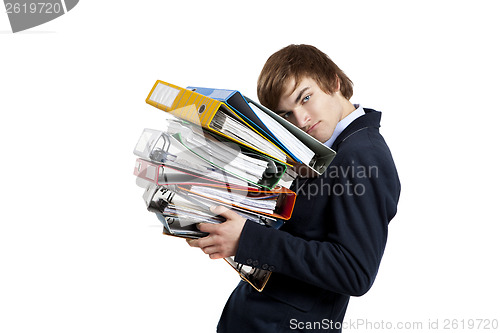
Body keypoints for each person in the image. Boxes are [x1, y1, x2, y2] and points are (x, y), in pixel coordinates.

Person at [187, 44, 401, 332]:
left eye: (306, 98)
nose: (302, 120)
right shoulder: (324, 149)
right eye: (286, 114)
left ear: (334, 82)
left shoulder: (363, 154)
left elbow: (355, 271)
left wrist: (247, 240)